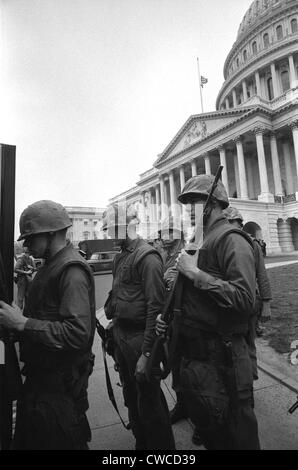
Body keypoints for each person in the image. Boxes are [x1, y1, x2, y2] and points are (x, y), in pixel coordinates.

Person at [156, 175, 260, 450]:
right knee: (215, 436)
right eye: (186, 202)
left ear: (213, 203)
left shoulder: (231, 239)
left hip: (225, 359)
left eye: (194, 201)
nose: (188, 208)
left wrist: (196, 272)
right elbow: (192, 298)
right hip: (201, 359)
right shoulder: (199, 239)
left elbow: (245, 299)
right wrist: (168, 320)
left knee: (237, 438)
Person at [0, 200, 96, 450]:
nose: (26, 244)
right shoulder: (50, 267)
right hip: (43, 384)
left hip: (59, 389)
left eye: (31, 237)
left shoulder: (71, 270)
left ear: (51, 233)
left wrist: (23, 324)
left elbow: (77, 335)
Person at [103, 203, 175, 450]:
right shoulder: (120, 257)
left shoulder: (147, 257)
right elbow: (117, 299)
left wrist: (147, 354)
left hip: (140, 339)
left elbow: (156, 310)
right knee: (131, 400)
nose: (110, 235)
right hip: (123, 338)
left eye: (113, 229)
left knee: (151, 405)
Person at [224, 206, 272, 376]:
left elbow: (262, 275)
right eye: (228, 223)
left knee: (248, 344)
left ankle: (248, 384)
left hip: (250, 302)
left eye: (234, 223)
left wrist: (266, 304)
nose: (232, 227)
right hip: (229, 302)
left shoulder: (252, 244)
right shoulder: (223, 244)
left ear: (240, 224)